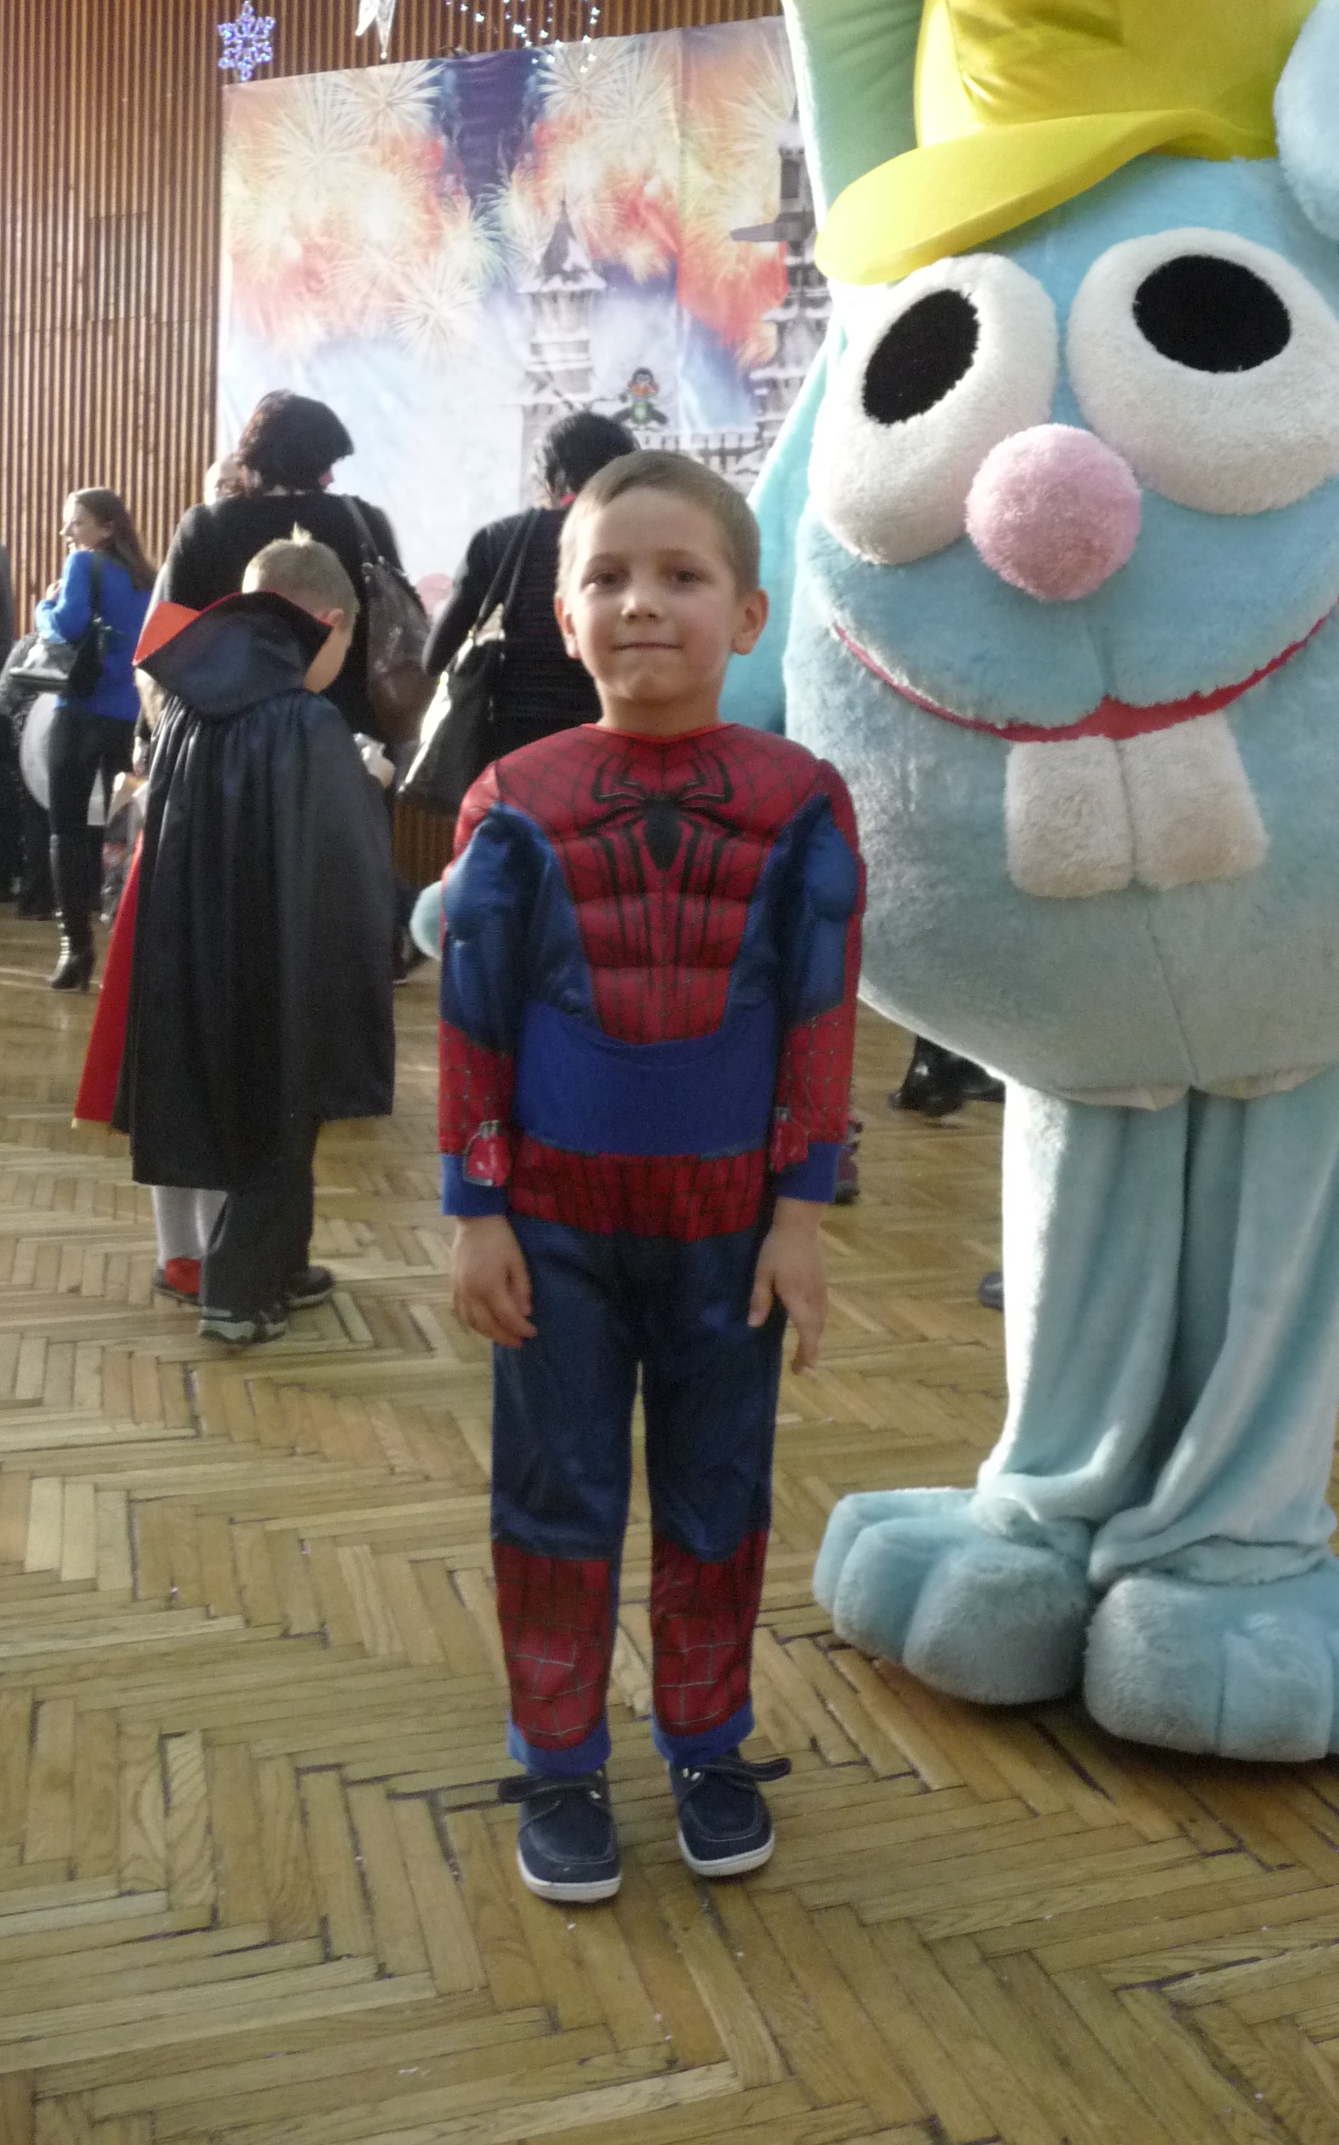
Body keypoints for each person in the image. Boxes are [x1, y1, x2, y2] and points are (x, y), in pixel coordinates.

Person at [438, 450, 862, 1901]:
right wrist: (475, 1210)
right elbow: (473, 1019)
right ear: (564, 618)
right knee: (551, 1498)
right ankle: (559, 1761)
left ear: (746, 613)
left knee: (717, 1494)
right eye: (607, 578)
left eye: (681, 576)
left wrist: (800, 1216)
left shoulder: (801, 801)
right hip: (553, 1226)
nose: (641, 604)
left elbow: (819, 1016)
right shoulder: (513, 796)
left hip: (726, 1230)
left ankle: (705, 1741)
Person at [116, 534, 395, 1345]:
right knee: (282, 1109)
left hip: (197, 947)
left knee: (246, 1105)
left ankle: (280, 1266)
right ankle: (237, 1292)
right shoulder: (304, 720)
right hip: (283, 950)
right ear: (329, 624)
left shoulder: (185, 704)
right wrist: (368, 784)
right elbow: (337, 861)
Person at [152, 392, 403, 748]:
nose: (331, 477)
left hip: (226, 740)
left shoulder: (204, 528)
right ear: (309, 461)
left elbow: (168, 645)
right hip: (349, 735)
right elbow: (393, 625)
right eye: (326, 462)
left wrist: (152, 735)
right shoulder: (362, 523)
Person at [423, 411, 635, 783]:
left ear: (550, 478)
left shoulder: (499, 540)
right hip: (617, 755)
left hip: (515, 756)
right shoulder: (649, 543)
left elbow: (434, 658)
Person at [34, 490, 154, 992]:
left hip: (81, 712)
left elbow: (66, 625)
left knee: (65, 829)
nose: (67, 532)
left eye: (76, 523)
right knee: (127, 835)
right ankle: (132, 955)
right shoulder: (149, 578)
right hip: (132, 717)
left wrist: (44, 605)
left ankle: (75, 950)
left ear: (107, 528)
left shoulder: (83, 564)